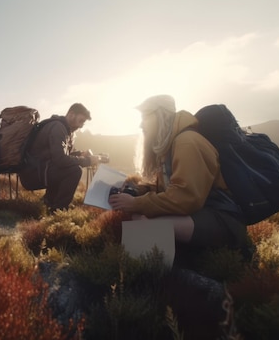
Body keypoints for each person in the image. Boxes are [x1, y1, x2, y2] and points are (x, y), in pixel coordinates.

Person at [108, 94, 251, 266]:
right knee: (139, 216)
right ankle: (156, 268)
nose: (141, 124)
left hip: (223, 219)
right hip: (201, 212)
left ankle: (150, 278)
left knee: (143, 224)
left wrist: (135, 203)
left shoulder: (187, 142)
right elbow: (168, 188)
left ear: (159, 116)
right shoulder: (170, 145)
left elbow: (185, 198)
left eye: (145, 117)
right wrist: (139, 191)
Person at [19, 103, 101, 213]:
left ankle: (48, 201)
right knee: (74, 171)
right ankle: (58, 209)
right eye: (81, 121)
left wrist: (80, 154)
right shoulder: (58, 128)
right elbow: (60, 160)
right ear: (71, 114)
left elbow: (59, 156)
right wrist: (88, 161)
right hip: (33, 175)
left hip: (38, 171)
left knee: (67, 168)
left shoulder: (64, 129)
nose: (81, 126)